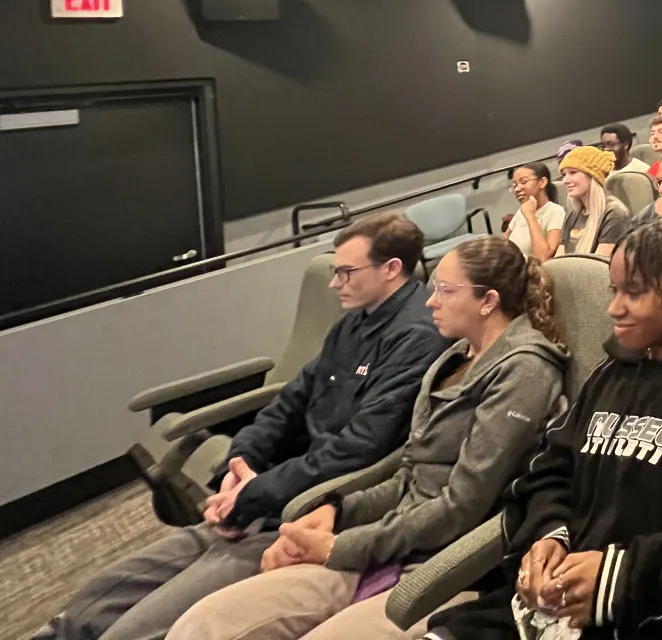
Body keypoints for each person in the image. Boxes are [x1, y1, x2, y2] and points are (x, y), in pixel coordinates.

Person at [33, 216, 448, 640]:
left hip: (302, 512)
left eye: (346, 271)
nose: (333, 283)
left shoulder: (416, 337)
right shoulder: (353, 322)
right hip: (264, 496)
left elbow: (358, 451)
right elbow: (290, 400)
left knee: (134, 629)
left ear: (392, 269)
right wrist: (241, 459)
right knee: (98, 598)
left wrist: (252, 493)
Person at [422, 218, 662, 640]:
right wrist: (548, 537)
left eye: (634, 292)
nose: (613, 308)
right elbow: (549, 471)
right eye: (614, 290)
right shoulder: (613, 370)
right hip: (552, 605)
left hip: (647, 610)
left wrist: (621, 577)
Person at [165, 239, 570, 640]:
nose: (431, 302)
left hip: (442, 563)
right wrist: (338, 512)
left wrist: (339, 546)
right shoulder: (455, 359)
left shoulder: (524, 372)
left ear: (489, 301)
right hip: (385, 539)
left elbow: (460, 508)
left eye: (446, 291)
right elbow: (408, 476)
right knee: (203, 625)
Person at [556, 146, 629, 258]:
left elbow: (596, 267)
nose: (565, 181)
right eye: (564, 174)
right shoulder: (573, 214)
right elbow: (558, 259)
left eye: (573, 172)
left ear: (593, 176)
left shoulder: (614, 213)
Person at [506, 163, 565, 261]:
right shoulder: (521, 211)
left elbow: (543, 257)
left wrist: (530, 216)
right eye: (515, 185)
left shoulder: (555, 212)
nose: (517, 189)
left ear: (542, 182)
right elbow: (503, 242)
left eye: (524, 182)